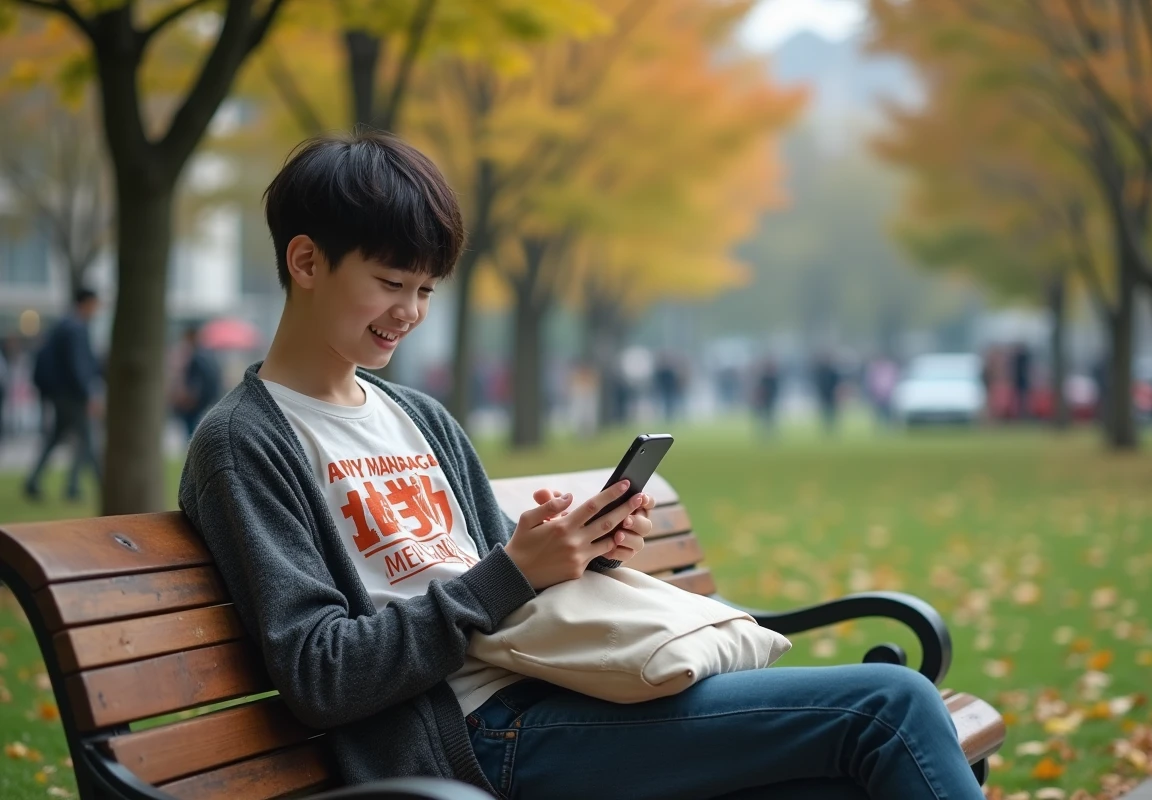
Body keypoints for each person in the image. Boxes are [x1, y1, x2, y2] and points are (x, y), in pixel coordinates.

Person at [177, 130, 982, 800]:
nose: (411, 314)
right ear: (308, 262)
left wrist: (574, 548)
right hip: (472, 742)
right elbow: (321, 672)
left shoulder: (415, 415)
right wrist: (510, 575)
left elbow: (500, 581)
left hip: (568, 692)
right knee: (892, 705)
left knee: (845, 778)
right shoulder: (247, 443)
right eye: (391, 283)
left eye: (426, 289)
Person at [25, 287, 104, 502]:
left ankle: (34, 481)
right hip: (72, 396)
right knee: (87, 440)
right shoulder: (76, 328)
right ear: (87, 303)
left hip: (62, 394)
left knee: (57, 438)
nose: (97, 310)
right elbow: (77, 365)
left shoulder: (64, 324)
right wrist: (88, 394)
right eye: (96, 304)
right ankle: (80, 486)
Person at [171, 322, 223, 440]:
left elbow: (195, 385)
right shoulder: (208, 356)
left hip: (195, 406)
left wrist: (186, 401)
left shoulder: (196, 358)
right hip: (207, 404)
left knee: (191, 435)